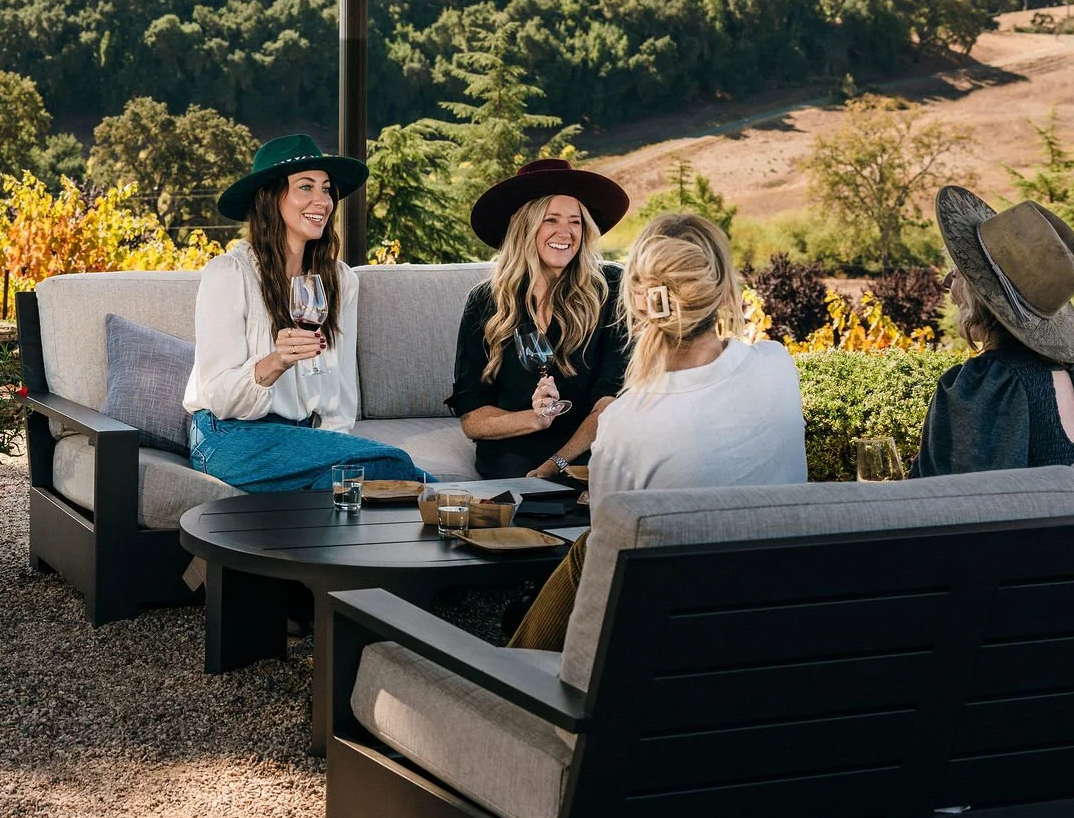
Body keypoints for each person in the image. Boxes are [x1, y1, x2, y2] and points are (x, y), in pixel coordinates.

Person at [508, 212, 806, 650]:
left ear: (635, 300)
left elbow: (607, 577)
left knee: (589, 550)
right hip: (772, 625)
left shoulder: (626, 424)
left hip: (661, 651)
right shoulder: (777, 365)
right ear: (723, 289)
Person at [184, 134, 427, 492]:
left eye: (327, 189)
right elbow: (220, 398)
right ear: (270, 198)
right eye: (306, 187)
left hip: (304, 442)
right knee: (391, 464)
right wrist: (276, 362)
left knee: (386, 485)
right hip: (230, 438)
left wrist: (337, 452)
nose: (323, 201)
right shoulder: (229, 274)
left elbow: (342, 400)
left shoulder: (339, 280)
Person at [914, 188, 1074, 476]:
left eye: (958, 273)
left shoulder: (989, 386)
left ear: (979, 295)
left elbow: (949, 504)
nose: (949, 287)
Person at [450, 159, 632, 481]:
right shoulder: (486, 302)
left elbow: (610, 402)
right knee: (518, 479)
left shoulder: (611, 289)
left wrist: (556, 464)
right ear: (525, 226)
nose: (566, 233)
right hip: (512, 451)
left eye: (575, 222)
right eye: (551, 220)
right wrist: (535, 419)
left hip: (587, 447)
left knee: (601, 473)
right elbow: (473, 418)